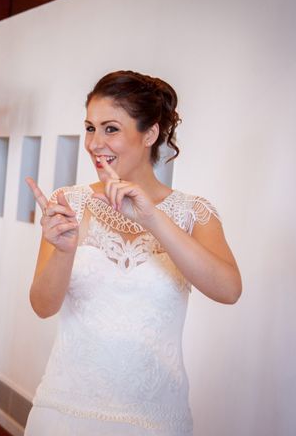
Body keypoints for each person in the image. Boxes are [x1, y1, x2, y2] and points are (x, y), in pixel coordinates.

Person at [24, 70, 241, 436]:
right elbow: (43, 306)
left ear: (150, 134)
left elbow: (229, 290)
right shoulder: (70, 203)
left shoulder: (194, 213)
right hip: (64, 410)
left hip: (153, 419)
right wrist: (63, 251)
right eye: (90, 128)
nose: (94, 143)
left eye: (111, 129)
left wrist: (152, 219)